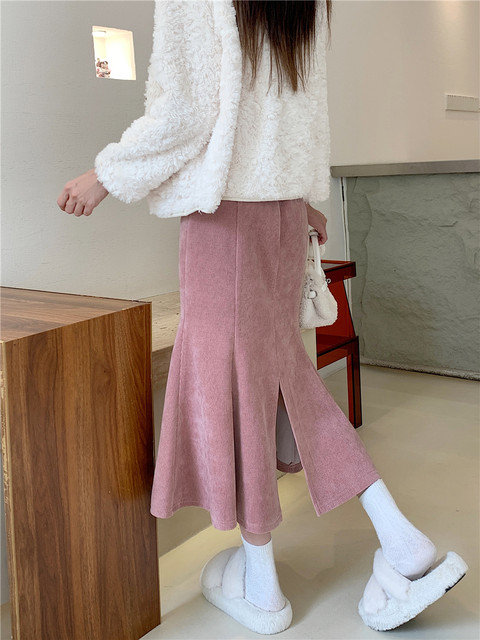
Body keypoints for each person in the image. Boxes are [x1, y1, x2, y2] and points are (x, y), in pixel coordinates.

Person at [57, 0, 467, 635]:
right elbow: (295, 106)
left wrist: (104, 174)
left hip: (225, 217)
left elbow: (185, 111)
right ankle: (396, 539)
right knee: (281, 379)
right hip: (279, 211)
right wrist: (297, 200)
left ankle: (264, 584)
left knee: (237, 388)